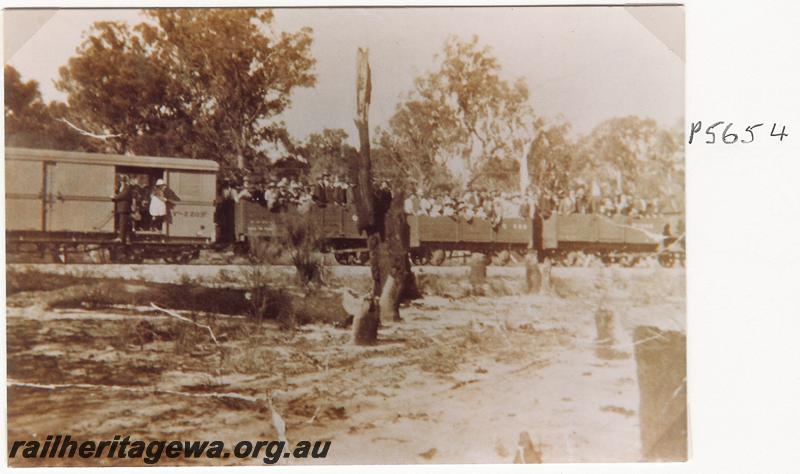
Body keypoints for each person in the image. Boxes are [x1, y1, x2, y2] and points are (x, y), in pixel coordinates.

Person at [112, 176, 135, 244]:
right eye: (121, 181)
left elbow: (123, 195)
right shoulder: (122, 187)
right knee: (122, 223)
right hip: (122, 208)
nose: (122, 182)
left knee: (122, 223)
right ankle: (121, 237)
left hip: (124, 208)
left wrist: (115, 197)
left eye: (123, 181)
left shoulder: (127, 188)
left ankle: (121, 238)